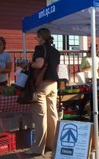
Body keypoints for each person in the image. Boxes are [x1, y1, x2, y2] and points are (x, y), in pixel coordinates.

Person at [25, 28, 60, 156]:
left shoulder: (40, 48)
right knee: (52, 115)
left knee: (40, 117)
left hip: (42, 84)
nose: (36, 39)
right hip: (53, 84)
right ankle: (52, 144)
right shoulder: (56, 51)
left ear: (40, 37)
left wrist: (29, 64)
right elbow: (56, 69)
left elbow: (39, 64)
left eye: (37, 37)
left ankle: (38, 148)